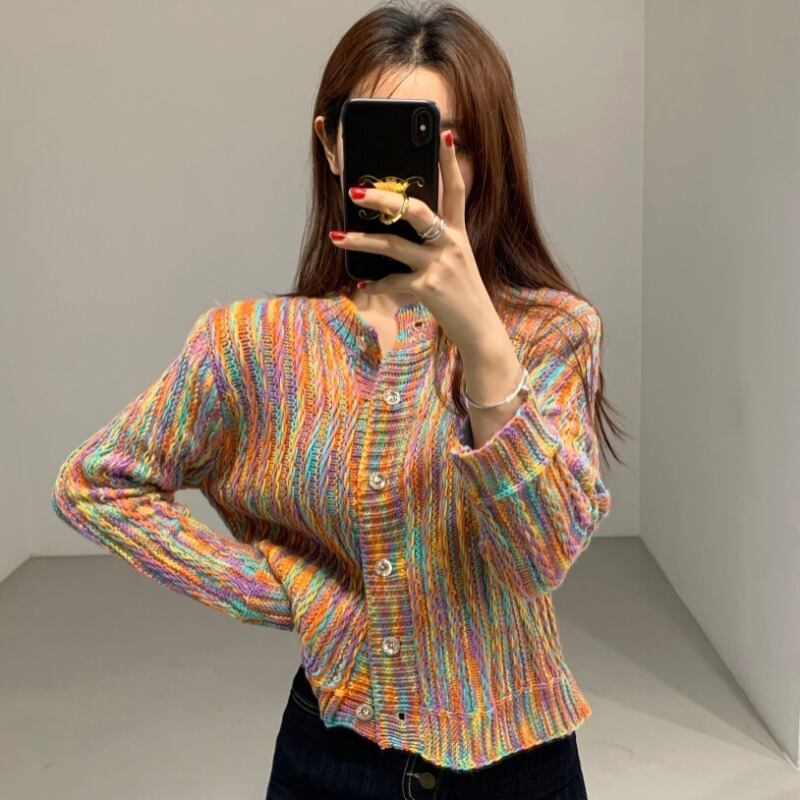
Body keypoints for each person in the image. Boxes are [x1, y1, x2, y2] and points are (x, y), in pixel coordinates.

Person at [52, 1, 626, 798]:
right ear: (331, 144)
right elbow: (97, 484)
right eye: (386, 135)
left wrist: (482, 340)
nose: (418, 174)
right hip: (332, 756)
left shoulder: (553, 331)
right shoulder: (254, 345)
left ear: (483, 154)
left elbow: (541, 558)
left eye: (448, 139)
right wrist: (279, 588)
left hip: (520, 767)